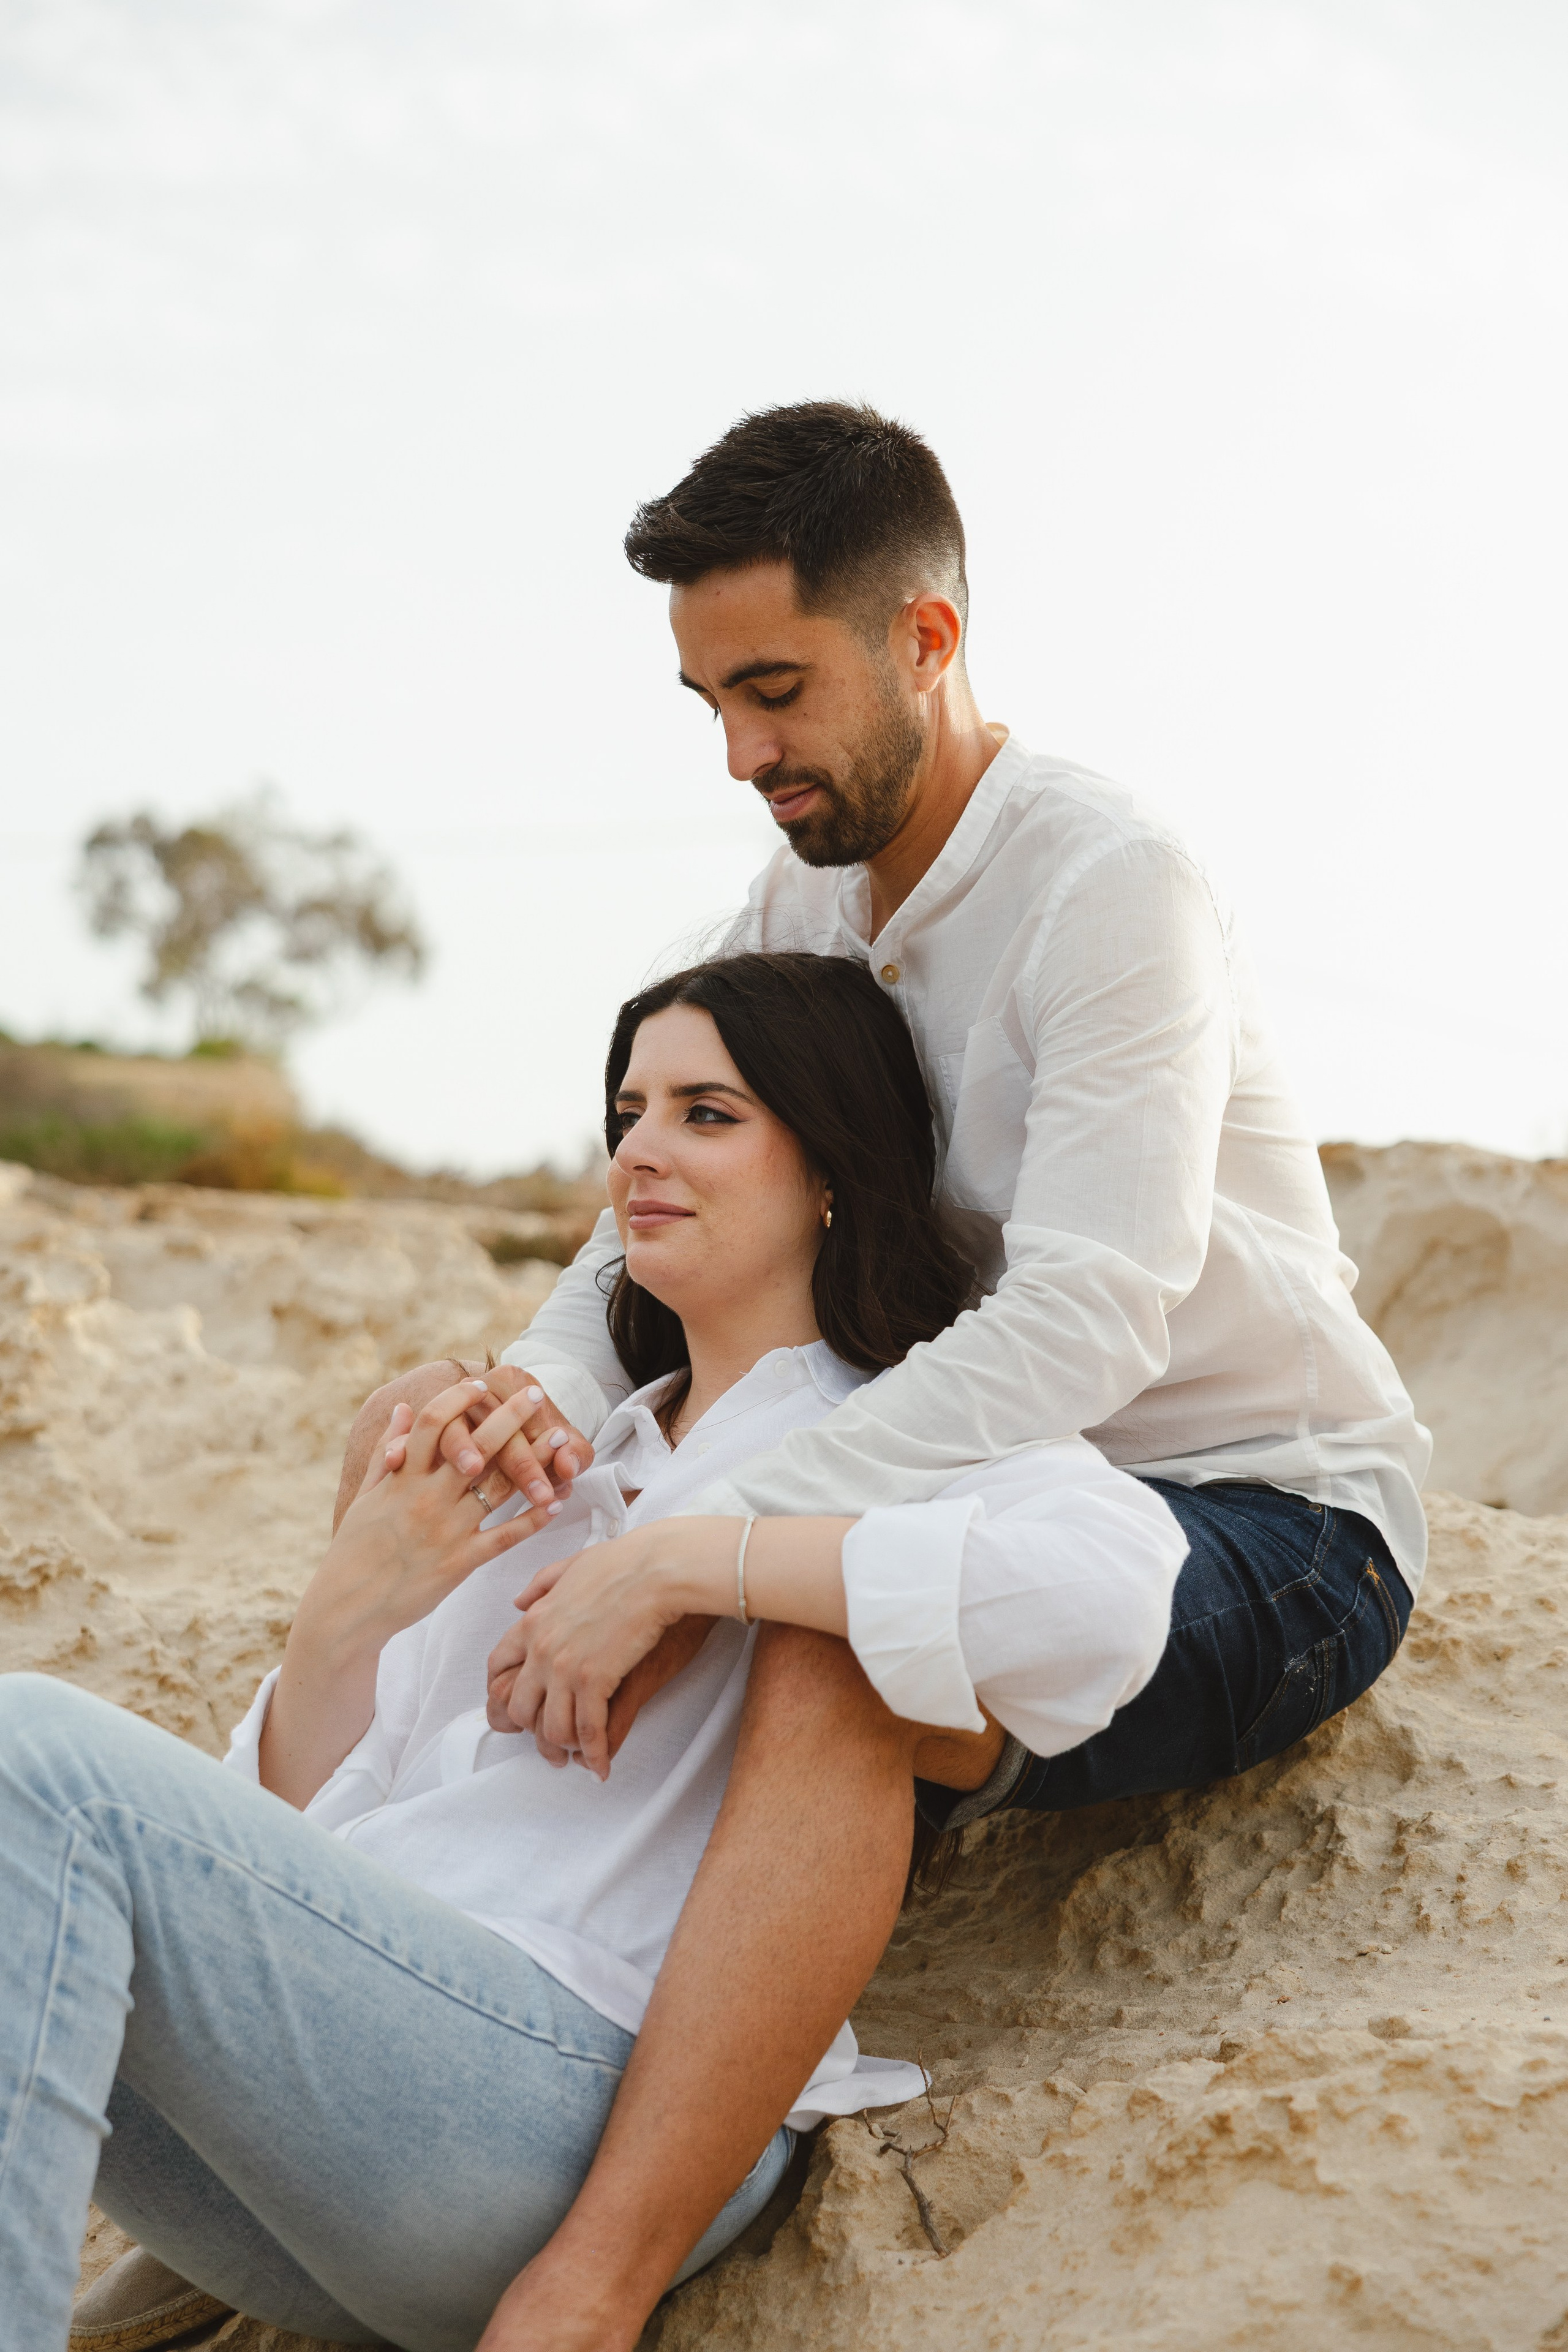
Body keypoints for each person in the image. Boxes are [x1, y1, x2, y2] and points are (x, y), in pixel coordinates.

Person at [323, 400, 1430, 2352]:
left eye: (776, 691)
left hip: (1259, 1520)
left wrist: (694, 1536)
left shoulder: (1111, 890)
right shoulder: (801, 903)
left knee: (839, 1632)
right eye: (708, 705)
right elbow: (628, 1240)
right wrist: (539, 1399)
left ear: (926, 639)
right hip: (961, 1468)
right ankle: (363, 2107)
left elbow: (1087, 1320)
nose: (746, 756)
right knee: (540, 1506)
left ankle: (596, 2269)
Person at [18, 952, 1188, 2352]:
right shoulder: (555, 1465)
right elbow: (287, 1851)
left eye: (707, 1113)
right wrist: (346, 1615)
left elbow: (1116, 1598)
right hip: (331, 2144)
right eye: (628, 1111)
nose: (639, 1148)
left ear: (831, 1168)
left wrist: (697, 1567)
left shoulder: (905, 1437)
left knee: (37, 1756)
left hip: (572, 2095)